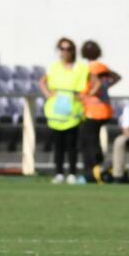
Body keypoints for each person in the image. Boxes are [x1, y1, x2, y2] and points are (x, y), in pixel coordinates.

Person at [39, 38, 89, 184]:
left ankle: (72, 173)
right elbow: (42, 82)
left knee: (72, 145)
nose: (64, 52)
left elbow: (95, 83)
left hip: (72, 110)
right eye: (62, 49)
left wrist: (84, 95)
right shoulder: (54, 67)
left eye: (68, 49)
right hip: (56, 110)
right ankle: (59, 173)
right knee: (58, 145)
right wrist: (48, 94)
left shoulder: (81, 68)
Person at [79, 41, 120, 183]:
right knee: (93, 141)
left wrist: (88, 94)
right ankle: (99, 170)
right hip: (104, 109)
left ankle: (94, 171)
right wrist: (106, 87)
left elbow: (96, 84)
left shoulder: (91, 68)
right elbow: (116, 77)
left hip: (94, 110)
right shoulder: (102, 67)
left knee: (89, 143)